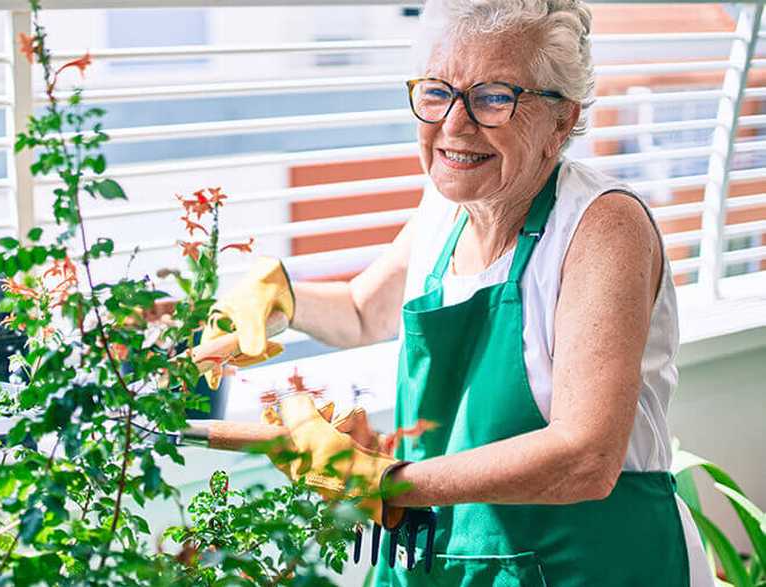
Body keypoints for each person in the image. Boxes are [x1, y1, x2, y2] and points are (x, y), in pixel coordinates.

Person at [200, 0, 714, 584]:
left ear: (562, 120)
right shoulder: (446, 208)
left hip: (588, 562)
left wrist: (386, 481)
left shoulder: (602, 227)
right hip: (446, 555)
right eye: (438, 91)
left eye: (494, 97)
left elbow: (585, 458)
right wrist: (282, 296)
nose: (454, 123)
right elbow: (364, 311)